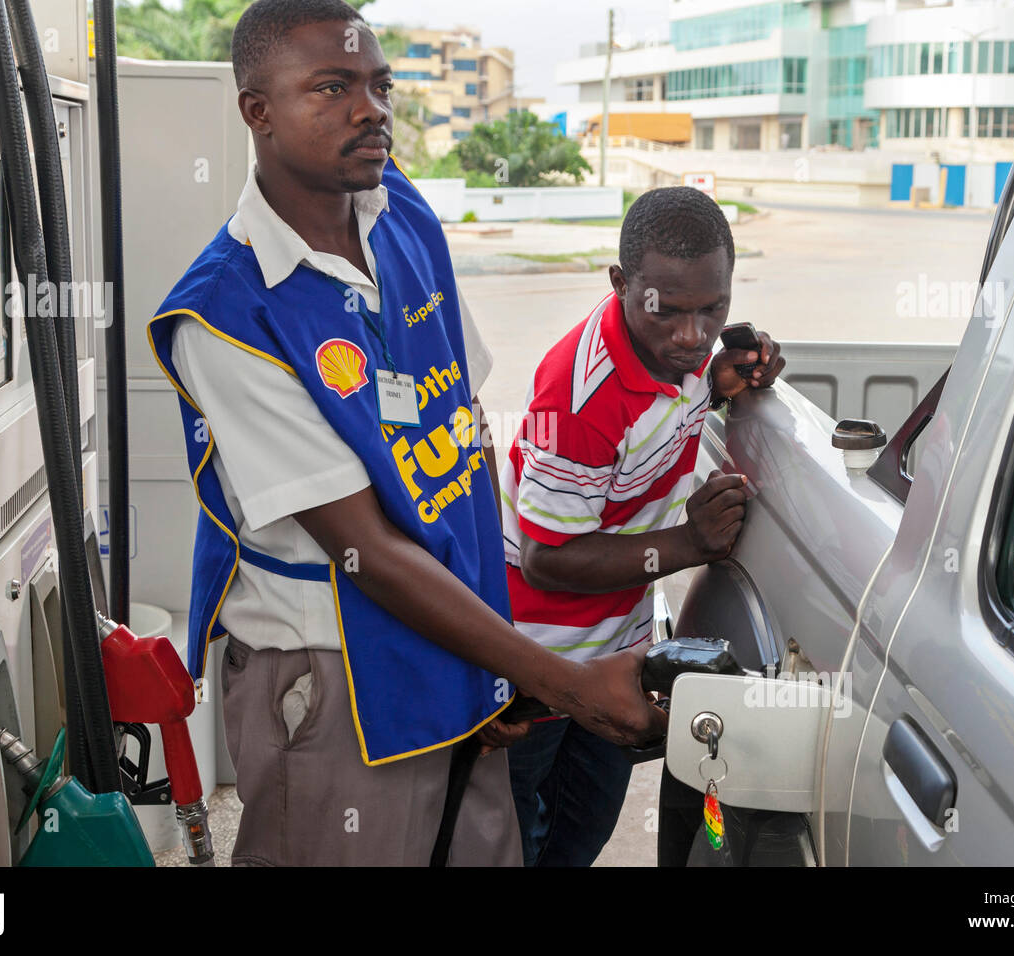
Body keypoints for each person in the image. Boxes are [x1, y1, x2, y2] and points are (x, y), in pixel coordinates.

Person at [147, 0, 665, 867]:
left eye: (380, 86)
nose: (371, 110)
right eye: (332, 87)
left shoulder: (405, 220)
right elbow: (366, 551)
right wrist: (559, 680)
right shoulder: (227, 312)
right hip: (338, 676)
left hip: (458, 632)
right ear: (257, 112)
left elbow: (465, 449)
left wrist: (495, 664)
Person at [501, 187, 785, 867]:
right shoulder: (580, 393)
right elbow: (546, 558)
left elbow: (674, 402)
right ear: (622, 285)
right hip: (535, 663)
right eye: (668, 310)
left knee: (583, 831)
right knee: (514, 842)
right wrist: (689, 544)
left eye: (712, 309)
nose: (691, 334)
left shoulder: (684, 359)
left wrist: (726, 379)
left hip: (618, 650)